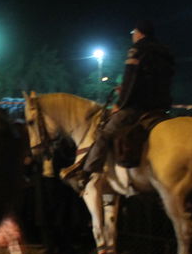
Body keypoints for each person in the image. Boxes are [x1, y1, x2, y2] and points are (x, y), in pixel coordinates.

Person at [63, 19, 174, 190]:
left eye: (133, 33)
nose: (133, 36)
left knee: (104, 133)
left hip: (138, 107)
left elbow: (131, 80)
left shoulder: (137, 50)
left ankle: (86, 173)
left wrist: (120, 104)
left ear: (139, 33)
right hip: (161, 108)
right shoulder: (165, 52)